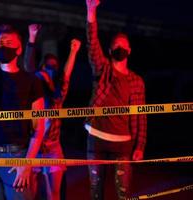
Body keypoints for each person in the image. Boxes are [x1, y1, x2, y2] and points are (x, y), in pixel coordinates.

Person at [0, 0, 45, 199]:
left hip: (17, 158)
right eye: (0, 42)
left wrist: (27, 164)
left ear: (19, 49)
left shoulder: (32, 81)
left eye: (9, 42)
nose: (3, 45)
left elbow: (39, 128)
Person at [84, 0, 147, 199]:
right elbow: (92, 44)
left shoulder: (137, 81)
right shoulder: (103, 70)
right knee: (96, 192)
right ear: (110, 51)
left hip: (123, 144)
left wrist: (140, 146)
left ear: (129, 51)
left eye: (124, 45)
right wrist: (91, 10)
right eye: (116, 46)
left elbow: (141, 117)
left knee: (124, 193)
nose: (120, 48)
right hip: (96, 140)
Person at [24, 24, 81, 200]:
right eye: (47, 65)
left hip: (52, 147)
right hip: (33, 146)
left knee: (53, 193)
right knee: (30, 190)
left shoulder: (57, 95)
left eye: (54, 66)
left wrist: (73, 52)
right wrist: (32, 38)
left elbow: (66, 75)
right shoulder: (34, 88)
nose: (50, 68)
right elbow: (28, 66)